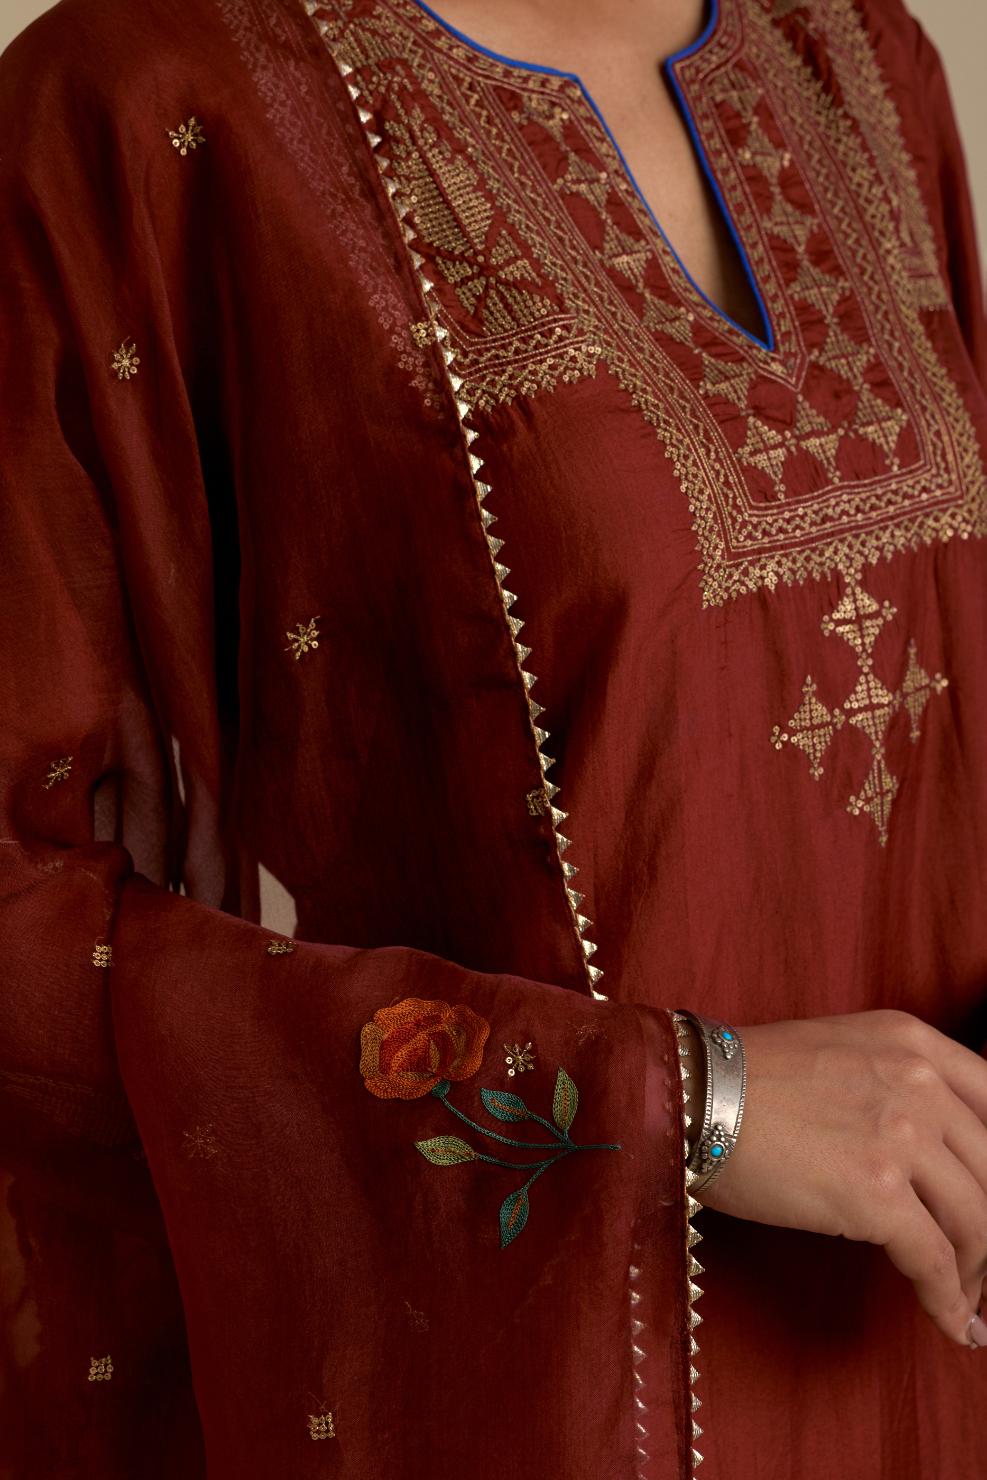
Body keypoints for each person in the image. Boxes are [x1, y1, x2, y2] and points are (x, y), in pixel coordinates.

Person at [1, 0, 985, 1474]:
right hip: (529, 1397)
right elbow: (26, 915)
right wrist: (675, 1098)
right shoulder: (146, 99)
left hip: (928, 1356)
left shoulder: (856, 59)